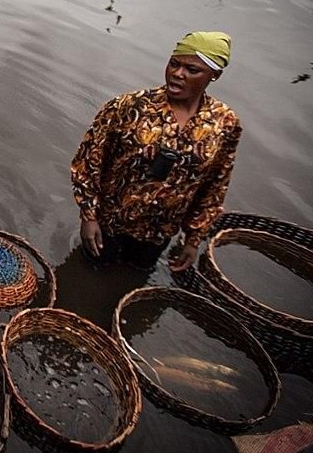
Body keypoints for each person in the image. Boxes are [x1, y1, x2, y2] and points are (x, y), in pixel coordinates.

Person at [70, 31, 241, 272]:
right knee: (88, 271)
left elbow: (215, 185)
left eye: (192, 70)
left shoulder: (224, 123)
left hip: (158, 234)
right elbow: (88, 161)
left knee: (135, 276)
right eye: (174, 64)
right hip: (110, 223)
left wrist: (193, 239)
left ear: (215, 75)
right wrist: (88, 215)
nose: (178, 74)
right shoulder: (130, 106)